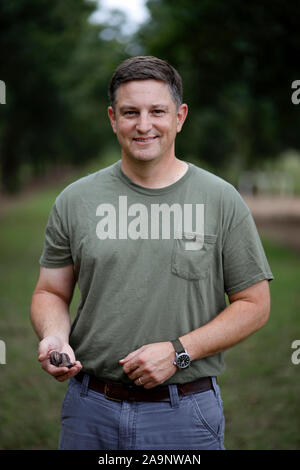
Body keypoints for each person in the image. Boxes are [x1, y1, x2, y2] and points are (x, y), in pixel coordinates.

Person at [30, 56, 273, 450]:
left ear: (179, 116)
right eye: (130, 113)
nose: (143, 125)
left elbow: (255, 304)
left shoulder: (220, 199)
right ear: (113, 118)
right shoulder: (75, 200)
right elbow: (50, 292)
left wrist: (179, 352)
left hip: (185, 414)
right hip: (89, 411)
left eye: (157, 111)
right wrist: (55, 338)